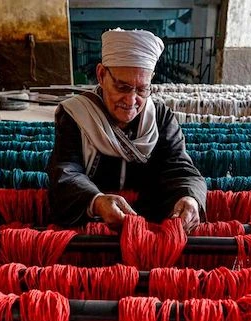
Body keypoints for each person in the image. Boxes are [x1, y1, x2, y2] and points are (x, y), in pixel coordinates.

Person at [47, 28, 207, 233]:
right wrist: (96, 201)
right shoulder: (75, 115)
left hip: (148, 231)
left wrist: (190, 197)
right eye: (122, 87)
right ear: (101, 75)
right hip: (92, 231)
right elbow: (66, 170)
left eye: (142, 89)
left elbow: (180, 168)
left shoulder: (160, 118)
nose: (132, 101)